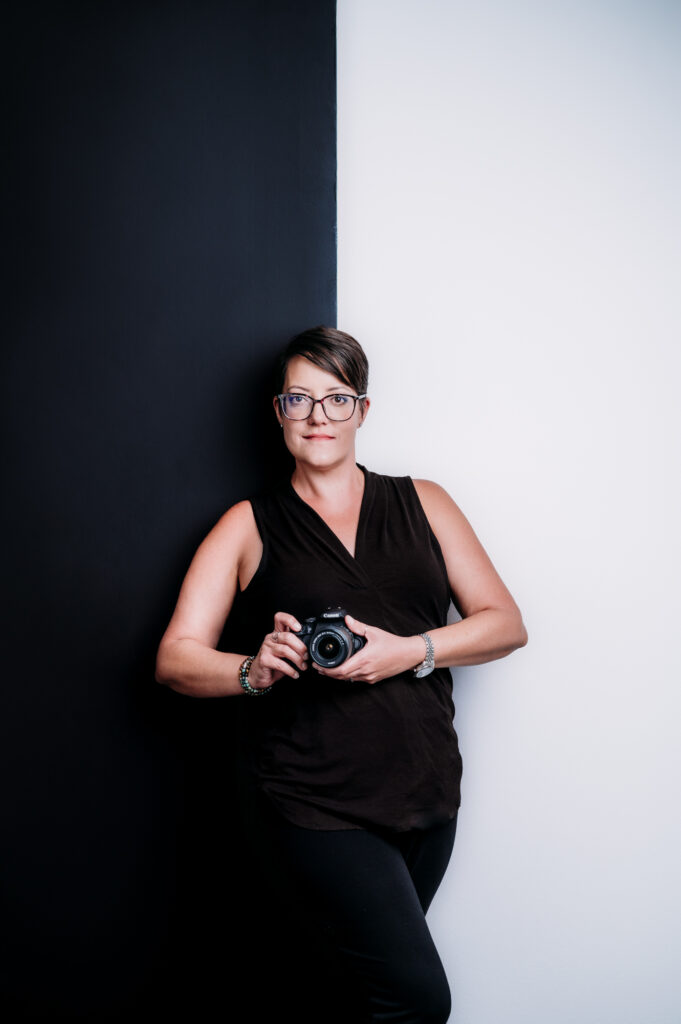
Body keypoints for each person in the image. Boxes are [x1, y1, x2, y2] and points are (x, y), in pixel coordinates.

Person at [155, 325, 527, 1023]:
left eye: (336, 399)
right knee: (415, 1000)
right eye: (300, 399)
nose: (318, 417)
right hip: (313, 803)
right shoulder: (248, 523)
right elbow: (175, 658)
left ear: (362, 409)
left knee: (347, 996)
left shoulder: (425, 501)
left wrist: (409, 650)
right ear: (278, 412)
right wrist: (252, 668)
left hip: (426, 794)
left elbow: (504, 623)